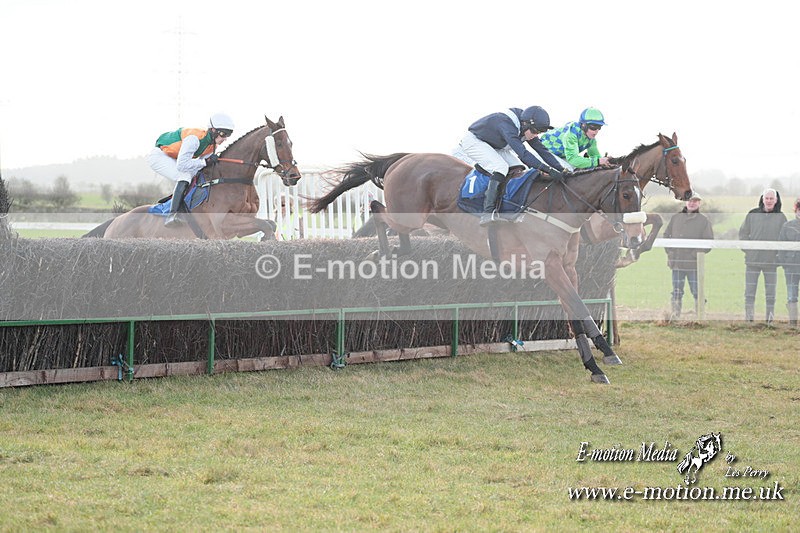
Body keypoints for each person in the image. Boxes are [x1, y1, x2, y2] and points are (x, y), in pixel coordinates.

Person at [452, 106, 566, 226]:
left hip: (495, 145)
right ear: (525, 124)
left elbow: (543, 151)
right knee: (500, 168)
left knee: (519, 168)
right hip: (475, 142)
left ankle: (505, 205)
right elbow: (523, 154)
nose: (535, 135)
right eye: (534, 131)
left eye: (539, 132)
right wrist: (548, 170)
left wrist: (562, 169)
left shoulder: (525, 126)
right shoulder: (507, 125)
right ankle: (487, 212)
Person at [147, 112, 235, 226]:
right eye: (223, 134)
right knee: (184, 176)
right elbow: (182, 165)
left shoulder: (212, 146)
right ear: (213, 130)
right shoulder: (194, 139)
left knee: (194, 176)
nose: (225, 138)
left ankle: (175, 204)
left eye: (228, 135)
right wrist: (206, 161)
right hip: (160, 156)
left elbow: (200, 167)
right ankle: (172, 215)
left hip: (175, 158)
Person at [738, 188, 786, 323]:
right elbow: (743, 234)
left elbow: (784, 239)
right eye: (767, 198)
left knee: (770, 294)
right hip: (752, 262)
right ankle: (749, 319)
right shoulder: (752, 214)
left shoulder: (781, 217)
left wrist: (779, 256)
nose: (769, 201)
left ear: (776, 200)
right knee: (749, 293)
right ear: (762, 199)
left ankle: (769, 320)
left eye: (772, 198)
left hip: (771, 262)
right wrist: (748, 250)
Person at [663, 193, 714, 319]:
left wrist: (694, 255)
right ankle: (675, 316)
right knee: (676, 292)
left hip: (694, 265)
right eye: (690, 201)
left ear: (699, 204)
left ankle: (700, 316)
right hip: (677, 264)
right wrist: (670, 252)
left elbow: (708, 242)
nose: (692, 203)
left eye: (695, 201)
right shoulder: (676, 218)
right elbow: (666, 235)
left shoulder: (704, 220)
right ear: (686, 202)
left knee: (697, 291)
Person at [539, 107, 611, 171]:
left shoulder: (591, 140)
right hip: (541, 151)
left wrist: (607, 162)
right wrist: (598, 161)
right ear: (583, 125)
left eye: (599, 127)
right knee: (569, 170)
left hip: (558, 155)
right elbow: (573, 159)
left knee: (580, 169)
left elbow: (596, 157)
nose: (596, 131)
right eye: (593, 127)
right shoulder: (571, 134)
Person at [777, 197, 800, 327]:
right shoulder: (788, 226)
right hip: (791, 267)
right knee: (792, 295)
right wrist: (784, 263)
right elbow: (781, 246)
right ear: (796, 210)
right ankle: (793, 323)